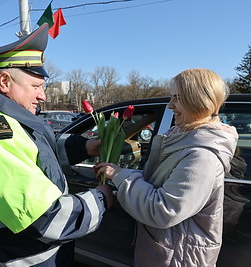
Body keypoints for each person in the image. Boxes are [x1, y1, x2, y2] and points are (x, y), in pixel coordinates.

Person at [0, 23, 113, 266]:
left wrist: (84, 148)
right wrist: (102, 198)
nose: (42, 95)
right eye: (36, 86)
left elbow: (35, 153)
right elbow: (48, 217)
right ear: (4, 81)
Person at [95, 68, 238, 266]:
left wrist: (121, 177)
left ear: (199, 100)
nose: (170, 105)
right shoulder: (183, 137)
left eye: (177, 98)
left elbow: (164, 210)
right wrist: (119, 173)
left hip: (178, 259)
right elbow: (158, 181)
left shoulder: (202, 156)